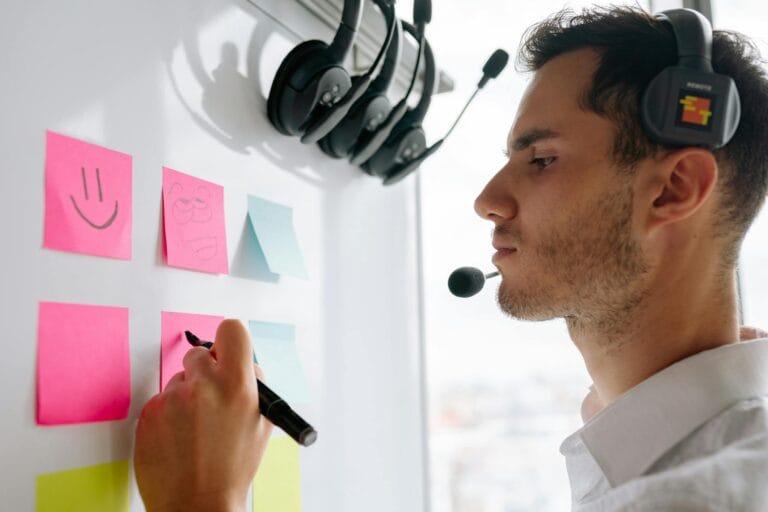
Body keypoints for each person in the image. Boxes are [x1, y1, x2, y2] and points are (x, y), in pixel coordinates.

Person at [134, 5, 768, 511]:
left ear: (674, 188)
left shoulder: (697, 495)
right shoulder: (672, 444)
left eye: (541, 159)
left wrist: (203, 500)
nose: (487, 200)